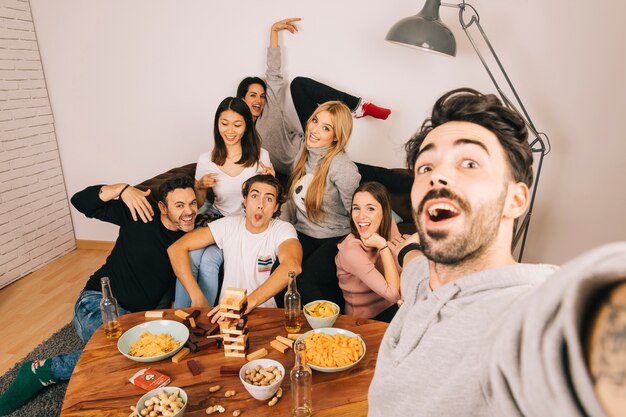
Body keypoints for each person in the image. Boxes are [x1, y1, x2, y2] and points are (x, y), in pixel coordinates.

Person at [367, 87, 558, 416]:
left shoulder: (536, 321)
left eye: (469, 162)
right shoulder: (424, 281)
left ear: (516, 200)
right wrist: (407, 251)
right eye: (426, 167)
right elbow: (415, 263)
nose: (437, 174)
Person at [0, 176, 197, 415]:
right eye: (180, 205)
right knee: (123, 353)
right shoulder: (141, 216)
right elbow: (81, 201)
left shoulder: (191, 235)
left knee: (148, 356)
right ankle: (43, 370)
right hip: (98, 302)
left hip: (135, 318)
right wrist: (121, 189)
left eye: (192, 204)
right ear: (162, 207)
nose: (189, 212)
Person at [237, 18, 391, 178]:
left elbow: (273, 72)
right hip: (304, 171)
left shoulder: (269, 109)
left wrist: (273, 31)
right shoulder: (240, 135)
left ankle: (358, 107)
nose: (259, 100)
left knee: (299, 85)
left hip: (310, 145)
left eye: (262, 96)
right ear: (242, 99)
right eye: (253, 95)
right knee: (375, 175)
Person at [176, 97, 274, 308]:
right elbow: (199, 202)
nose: (230, 131)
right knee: (191, 256)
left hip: (242, 224)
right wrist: (200, 186)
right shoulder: (206, 160)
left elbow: (268, 196)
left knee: (210, 261)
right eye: (224, 123)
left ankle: (206, 317)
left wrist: (271, 180)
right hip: (217, 218)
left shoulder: (260, 157)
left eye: (237, 125)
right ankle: (181, 315)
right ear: (217, 124)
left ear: (247, 126)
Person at [168, 174, 302, 313]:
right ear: (245, 201)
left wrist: (247, 303)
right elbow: (177, 248)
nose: (260, 205)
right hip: (226, 313)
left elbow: (293, 265)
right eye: (255, 196)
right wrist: (197, 296)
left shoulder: (282, 229)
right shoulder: (229, 225)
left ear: (276, 207)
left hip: (264, 313)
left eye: (268, 199)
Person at [286, 100, 360, 310]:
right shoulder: (303, 153)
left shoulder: (342, 167)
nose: (315, 130)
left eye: (326, 128)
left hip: (335, 237)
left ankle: (325, 335)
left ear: (336, 136)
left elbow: (356, 213)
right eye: (315, 121)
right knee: (283, 274)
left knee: (306, 280)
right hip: (303, 232)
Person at [335, 182, 403, 322]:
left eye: (370, 209)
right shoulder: (350, 250)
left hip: (394, 307)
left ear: (384, 212)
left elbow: (401, 269)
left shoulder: (389, 225)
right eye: (356, 208)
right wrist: (383, 247)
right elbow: (393, 294)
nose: (361, 217)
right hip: (364, 321)